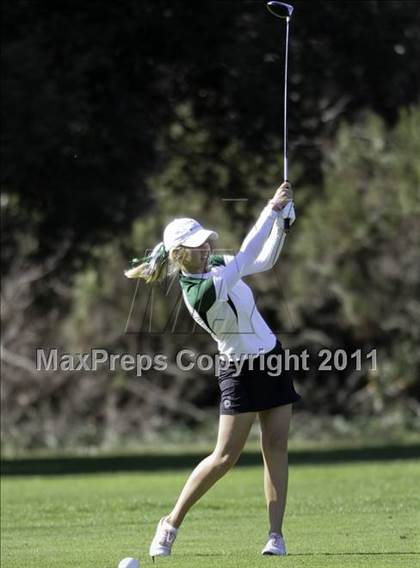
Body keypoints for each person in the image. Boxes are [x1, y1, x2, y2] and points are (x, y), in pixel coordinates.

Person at [125, 181, 301, 557]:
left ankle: (275, 536)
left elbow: (263, 259)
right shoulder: (200, 292)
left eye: (205, 242)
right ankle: (170, 523)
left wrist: (282, 228)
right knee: (224, 457)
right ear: (178, 255)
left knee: (276, 448)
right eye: (196, 246)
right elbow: (245, 256)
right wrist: (271, 209)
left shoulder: (217, 265)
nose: (205, 249)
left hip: (272, 359)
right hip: (239, 371)